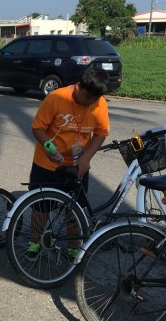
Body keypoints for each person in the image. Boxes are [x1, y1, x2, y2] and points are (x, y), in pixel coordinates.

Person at [27, 67, 110, 260]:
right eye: (88, 97)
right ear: (78, 86)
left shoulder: (100, 103)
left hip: (77, 165)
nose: (90, 102)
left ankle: (73, 248)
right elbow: (37, 128)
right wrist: (49, 146)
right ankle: (34, 244)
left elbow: (101, 133)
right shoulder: (57, 98)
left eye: (95, 99)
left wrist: (86, 158)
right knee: (41, 208)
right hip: (47, 164)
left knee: (75, 208)